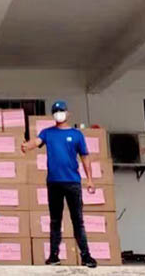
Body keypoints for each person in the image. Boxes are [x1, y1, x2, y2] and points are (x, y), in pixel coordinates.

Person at [21, 100, 98, 268]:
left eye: (61, 110)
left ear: (67, 113)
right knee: (55, 220)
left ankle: (86, 256)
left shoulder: (76, 135)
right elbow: (36, 142)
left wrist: (90, 179)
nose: (59, 114)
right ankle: (54, 256)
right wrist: (26, 145)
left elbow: (85, 157)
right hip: (54, 182)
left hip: (73, 182)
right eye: (56, 111)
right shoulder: (47, 132)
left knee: (77, 220)